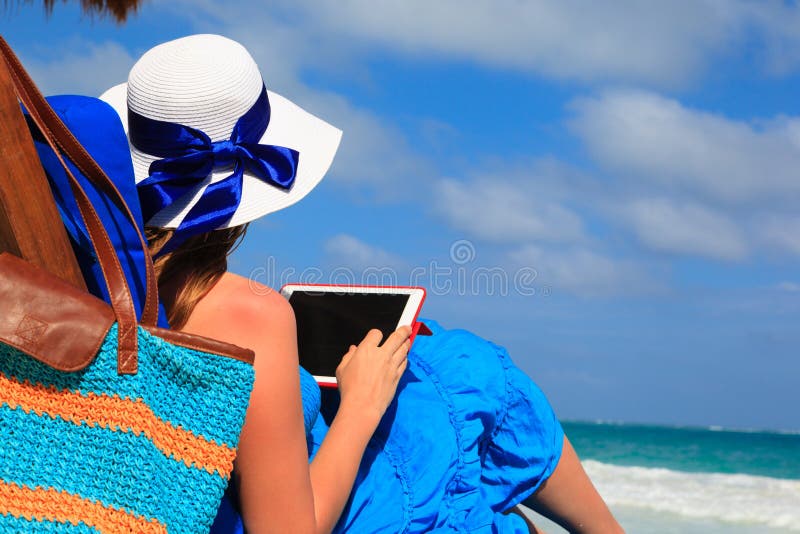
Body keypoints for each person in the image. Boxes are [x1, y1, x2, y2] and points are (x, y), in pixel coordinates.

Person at [100, 34, 623, 533]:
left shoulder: (89, 278)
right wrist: (361, 406)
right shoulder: (253, 315)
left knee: (439, 353)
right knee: (466, 369)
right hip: (311, 504)